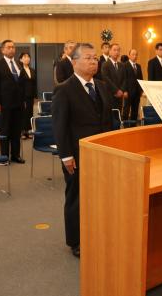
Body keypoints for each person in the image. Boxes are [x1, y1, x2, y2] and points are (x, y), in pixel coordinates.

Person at [52, 43, 113, 258]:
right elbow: (59, 126)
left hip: (102, 153)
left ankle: (95, 231)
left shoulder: (102, 86)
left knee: (99, 195)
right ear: (74, 61)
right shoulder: (64, 89)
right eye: (88, 58)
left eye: (95, 58)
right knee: (76, 196)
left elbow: (107, 121)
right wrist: (66, 156)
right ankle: (75, 240)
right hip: (77, 155)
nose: (94, 61)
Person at [0, 39, 25, 164]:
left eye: (13, 47)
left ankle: (15, 155)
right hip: (5, 103)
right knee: (5, 130)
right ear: (2, 50)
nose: (12, 49)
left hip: (18, 103)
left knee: (16, 130)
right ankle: (4, 156)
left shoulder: (18, 64)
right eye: (9, 47)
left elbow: (21, 84)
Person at [101, 43, 126, 111]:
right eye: (114, 50)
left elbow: (124, 79)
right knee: (110, 117)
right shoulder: (105, 64)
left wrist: (121, 90)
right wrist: (116, 91)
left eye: (118, 50)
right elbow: (106, 79)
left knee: (119, 115)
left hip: (120, 96)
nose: (116, 52)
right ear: (110, 51)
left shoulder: (122, 65)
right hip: (110, 95)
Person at [18, 52, 37, 139]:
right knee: (23, 113)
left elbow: (34, 84)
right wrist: (21, 98)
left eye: (28, 57)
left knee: (30, 113)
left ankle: (28, 131)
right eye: (25, 57)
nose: (27, 58)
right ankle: (22, 131)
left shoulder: (32, 70)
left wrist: (34, 96)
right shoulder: (20, 70)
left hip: (30, 95)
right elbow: (19, 85)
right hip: (22, 96)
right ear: (21, 59)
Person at [122, 49, 143, 121]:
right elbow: (124, 79)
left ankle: (133, 127)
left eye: (136, 54)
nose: (135, 56)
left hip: (137, 92)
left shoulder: (138, 66)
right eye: (133, 54)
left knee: (135, 111)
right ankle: (125, 127)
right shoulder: (124, 65)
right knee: (126, 110)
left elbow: (141, 79)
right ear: (129, 55)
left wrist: (141, 90)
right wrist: (124, 90)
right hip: (128, 92)